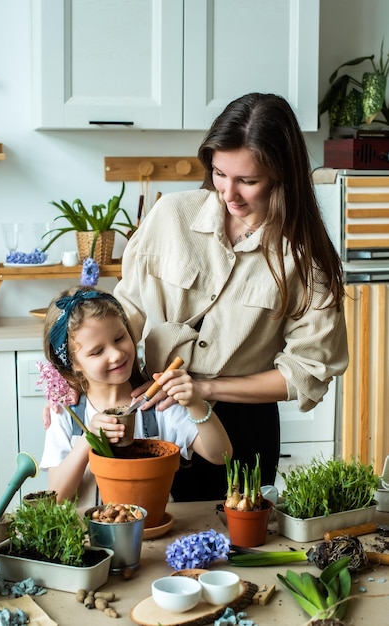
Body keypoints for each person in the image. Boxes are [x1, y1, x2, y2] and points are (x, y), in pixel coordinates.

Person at [113, 92, 349, 501]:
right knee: (149, 548)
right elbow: (124, 314)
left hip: (243, 428)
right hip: (154, 413)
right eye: (220, 173)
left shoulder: (303, 256)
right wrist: (76, 387)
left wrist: (206, 390)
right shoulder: (171, 215)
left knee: (239, 556)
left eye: (248, 181)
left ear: (282, 175)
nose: (228, 193)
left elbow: (307, 371)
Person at [39, 286, 232, 506]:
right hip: (87, 537)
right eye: (97, 352)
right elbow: (56, 498)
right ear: (74, 365)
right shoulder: (66, 413)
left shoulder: (158, 404)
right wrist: (87, 440)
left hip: (151, 534)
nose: (116, 354)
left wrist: (195, 402)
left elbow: (220, 454)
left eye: (119, 338)